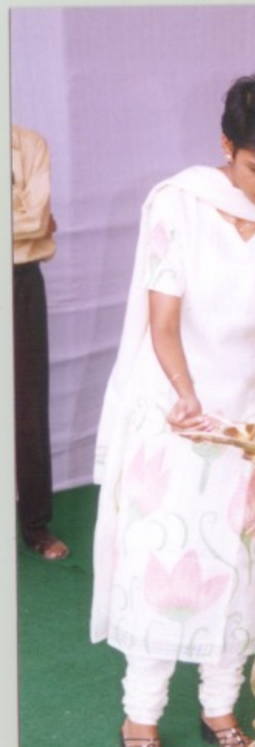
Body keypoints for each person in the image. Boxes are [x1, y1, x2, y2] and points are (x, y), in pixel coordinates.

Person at [90, 72, 255, 747]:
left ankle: (221, 710)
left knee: (244, 561)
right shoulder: (181, 203)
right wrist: (187, 400)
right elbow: (161, 322)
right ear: (226, 145)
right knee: (164, 565)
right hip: (174, 407)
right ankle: (140, 719)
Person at [12, 125, 69, 560]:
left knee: (27, 408)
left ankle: (35, 525)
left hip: (18, 283)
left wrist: (34, 221)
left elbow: (37, 218)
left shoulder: (28, 145)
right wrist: (28, 219)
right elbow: (31, 221)